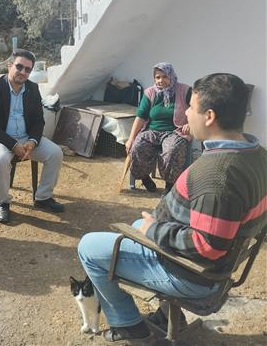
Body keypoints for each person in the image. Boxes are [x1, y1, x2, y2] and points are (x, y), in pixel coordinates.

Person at [78, 73, 267, 344]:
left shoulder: (217, 176)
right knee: (136, 226)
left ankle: (128, 324)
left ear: (209, 116)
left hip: (193, 275)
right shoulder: (257, 154)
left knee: (88, 247)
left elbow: (208, 247)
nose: (186, 113)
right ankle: (168, 315)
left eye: (191, 107)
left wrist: (155, 230)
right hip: (210, 265)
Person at [0, 49, 64, 223]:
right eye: (19, 67)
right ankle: (3, 203)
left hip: (26, 139)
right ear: (10, 66)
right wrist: (13, 145)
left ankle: (43, 197)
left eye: (27, 69)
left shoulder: (32, 88)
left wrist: (32, 141)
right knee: (0, 160)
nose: (23, 72)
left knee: (55, 153)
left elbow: (39, 121)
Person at [125, 63, 191, 196]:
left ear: (171, 76)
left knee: (172, 150)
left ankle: (170, 184)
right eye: (157, 77)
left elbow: (197, 108)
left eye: (165, 77)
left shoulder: (185, 90)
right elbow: (140, 117)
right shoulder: (150, 92)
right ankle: (144, 178)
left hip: (175, 131)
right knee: (137, 146)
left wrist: (190, 123)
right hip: (152, 130)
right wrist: (130, 139)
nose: (161, 80)